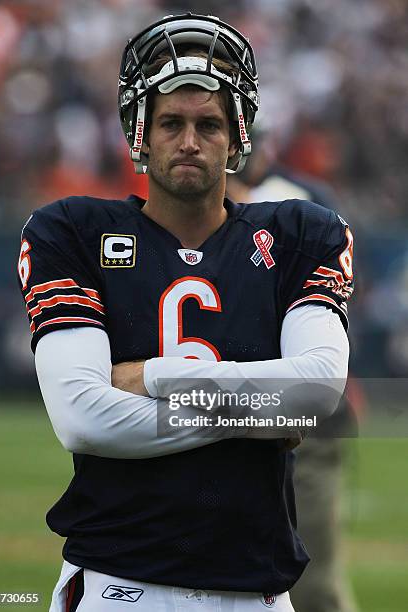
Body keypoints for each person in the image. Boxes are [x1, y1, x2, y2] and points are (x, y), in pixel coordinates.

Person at [17, 14, 353, 612]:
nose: (191, 142)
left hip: (257, 590)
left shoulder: (302, 232)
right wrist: (257, 413)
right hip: (119, 584)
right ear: (139, 132)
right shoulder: (70, 231)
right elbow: (83, 420)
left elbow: (317, 389)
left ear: (238, 134)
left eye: (209, 124)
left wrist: (151, 378)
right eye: (171, 122)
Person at [228, 142, 359, 612]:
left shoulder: (290, 200)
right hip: (230, 405)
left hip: (290, 403)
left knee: (308, 580)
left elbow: (333, 292)